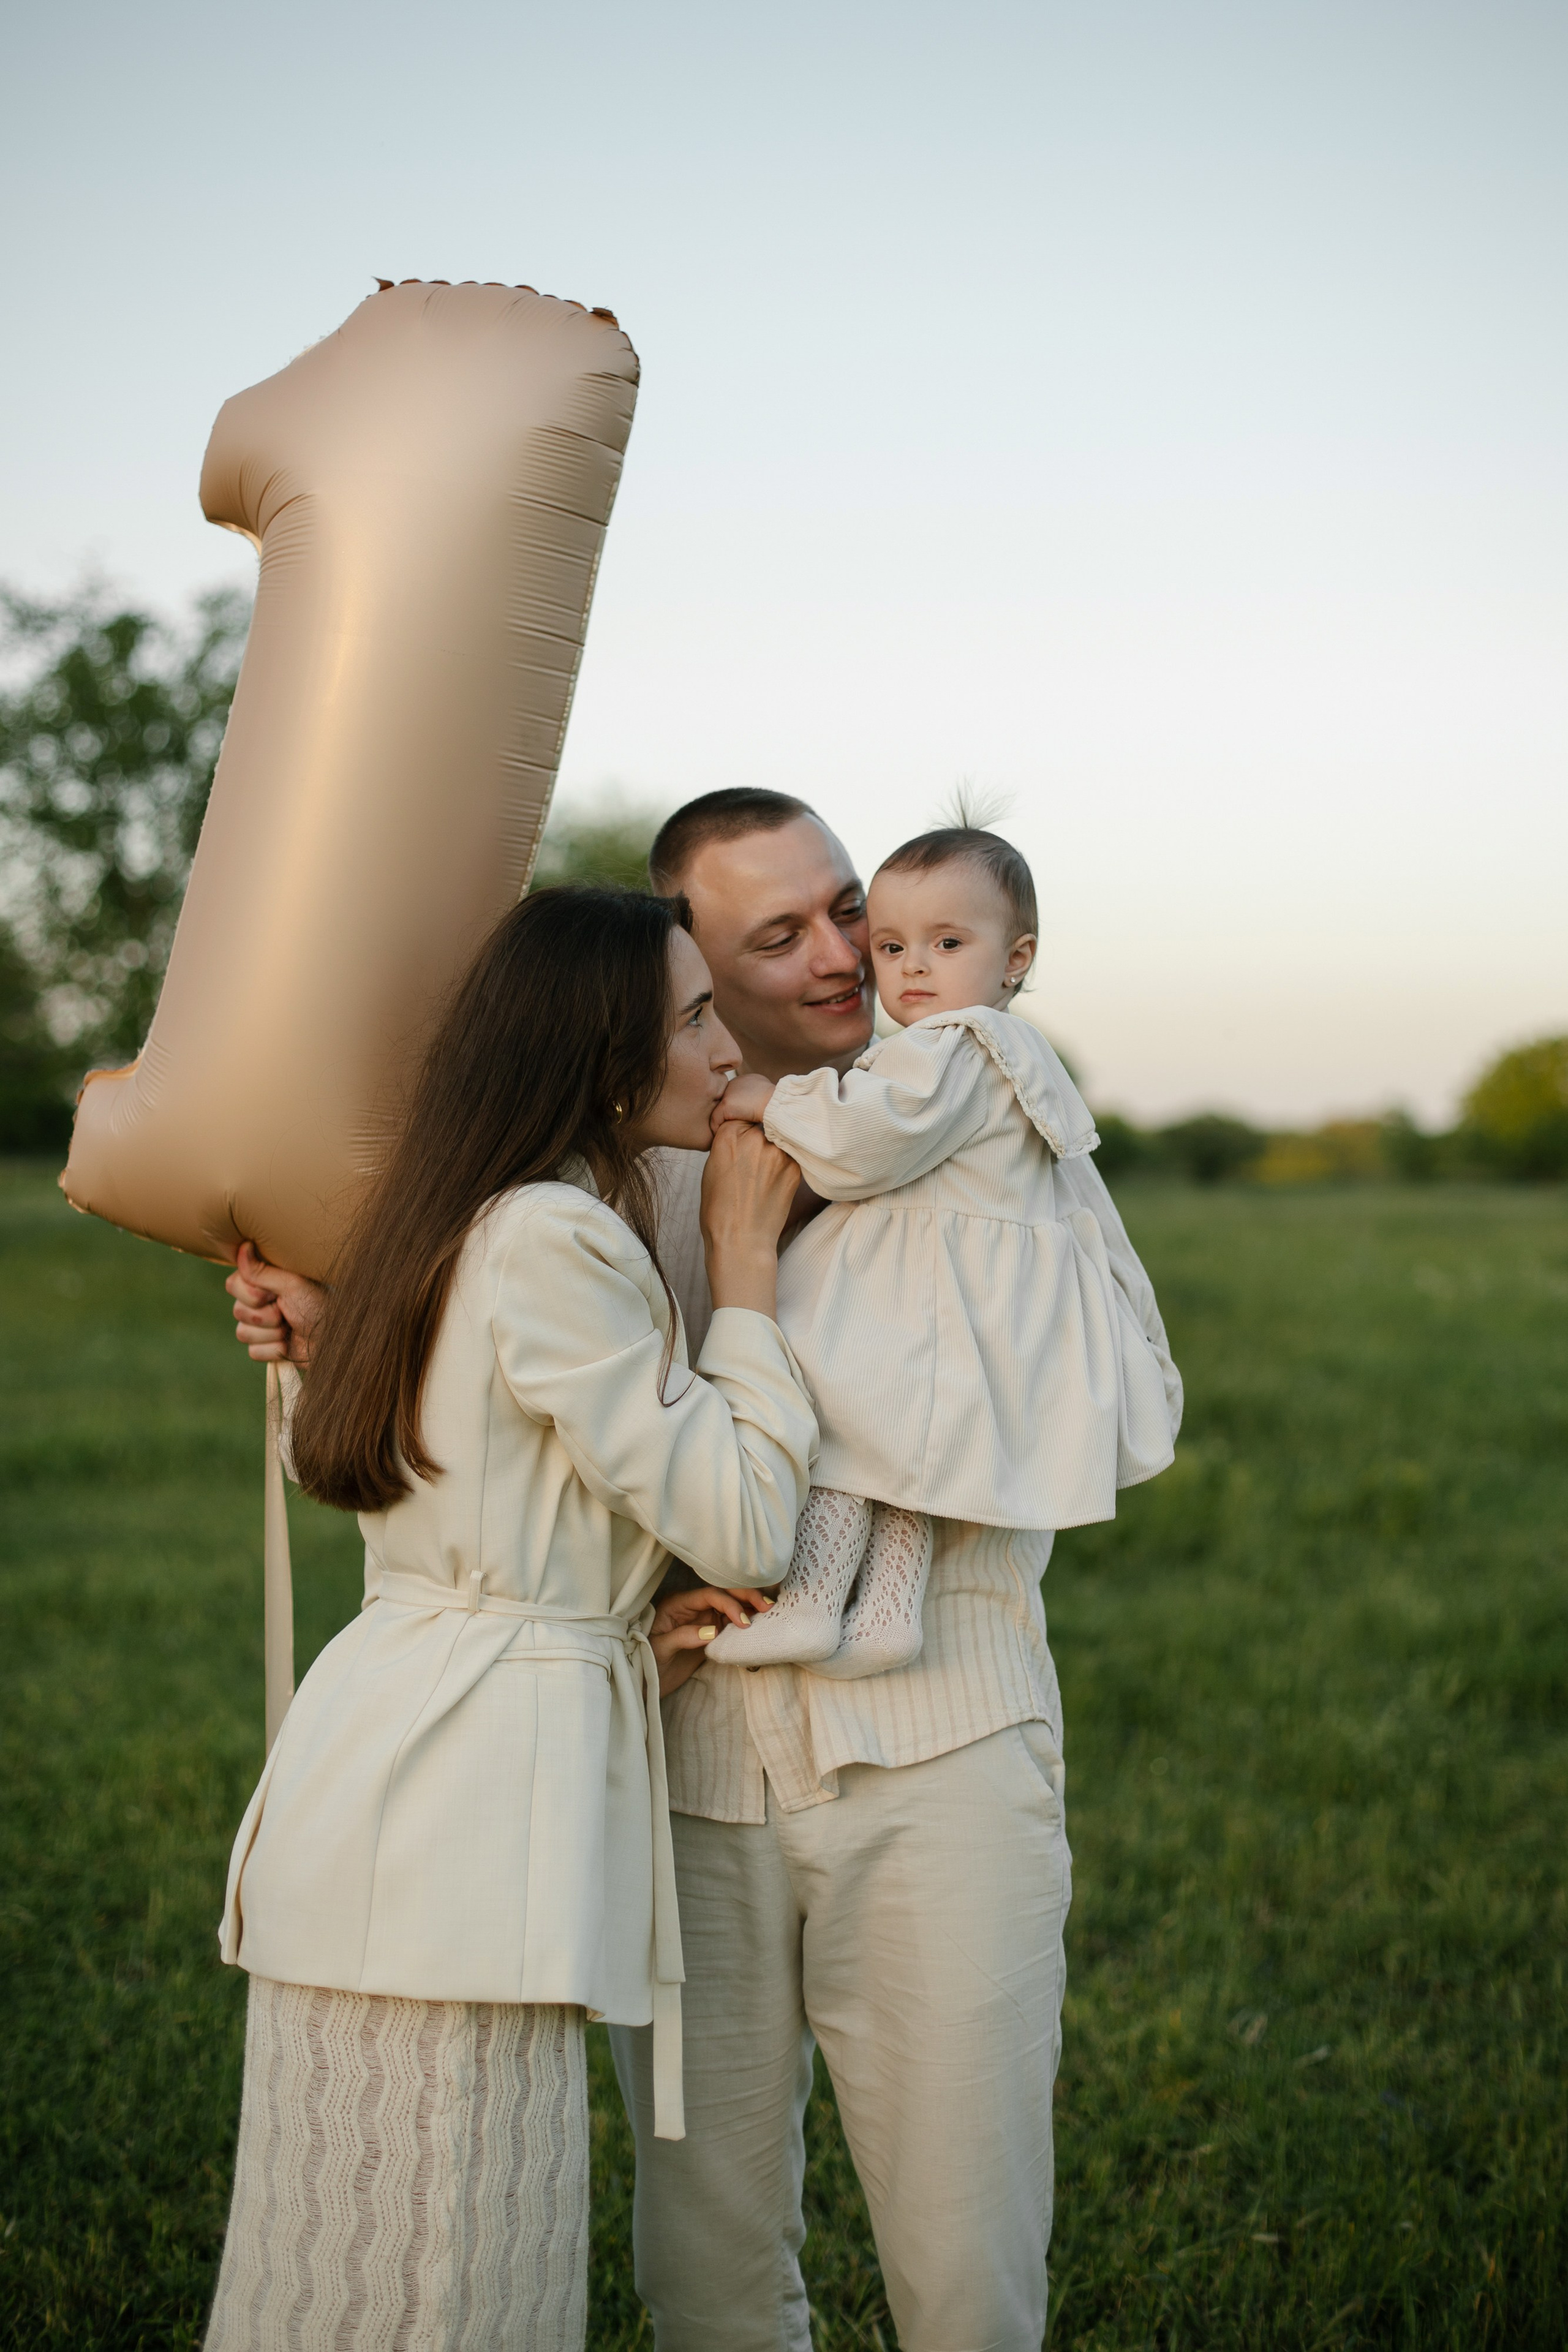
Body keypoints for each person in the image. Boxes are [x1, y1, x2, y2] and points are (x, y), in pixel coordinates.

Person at [230, 791, 1182, 2352]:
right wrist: (337, 1348)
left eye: (842, 912)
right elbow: (519, 1418)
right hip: (684, 1764)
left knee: (967, 2262)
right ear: (682, 970)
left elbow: (1061, 1374)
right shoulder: (623, 1177)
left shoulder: (966, 1124)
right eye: (776, 936)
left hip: (940, 1731)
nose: (839, 959)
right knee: (710, 2264)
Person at [206, 883, 817, 2352]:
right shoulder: (556, 1235)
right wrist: (743, 1278)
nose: (725, 1051)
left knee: (338, 2242)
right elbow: (744, 1521)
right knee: (452, 2260)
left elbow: (423, 1475)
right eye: (689, 1020)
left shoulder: (449, 1219)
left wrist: (609, 1620)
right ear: (598, 1053)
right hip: (475, 1820)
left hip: (391, 1762)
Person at [704, 821, 1178, 1676]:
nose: (913, 967)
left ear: (1016, 957)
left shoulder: (951, 1047)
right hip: (961, 1301)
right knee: (909, 1463)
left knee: (837, 1411)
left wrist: (771, 1100)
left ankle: (811, 1601)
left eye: (947, 943)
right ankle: (886, 1616)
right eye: (890, 947)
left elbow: (864, 1143)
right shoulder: (1005, 1050)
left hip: (919, 1296)